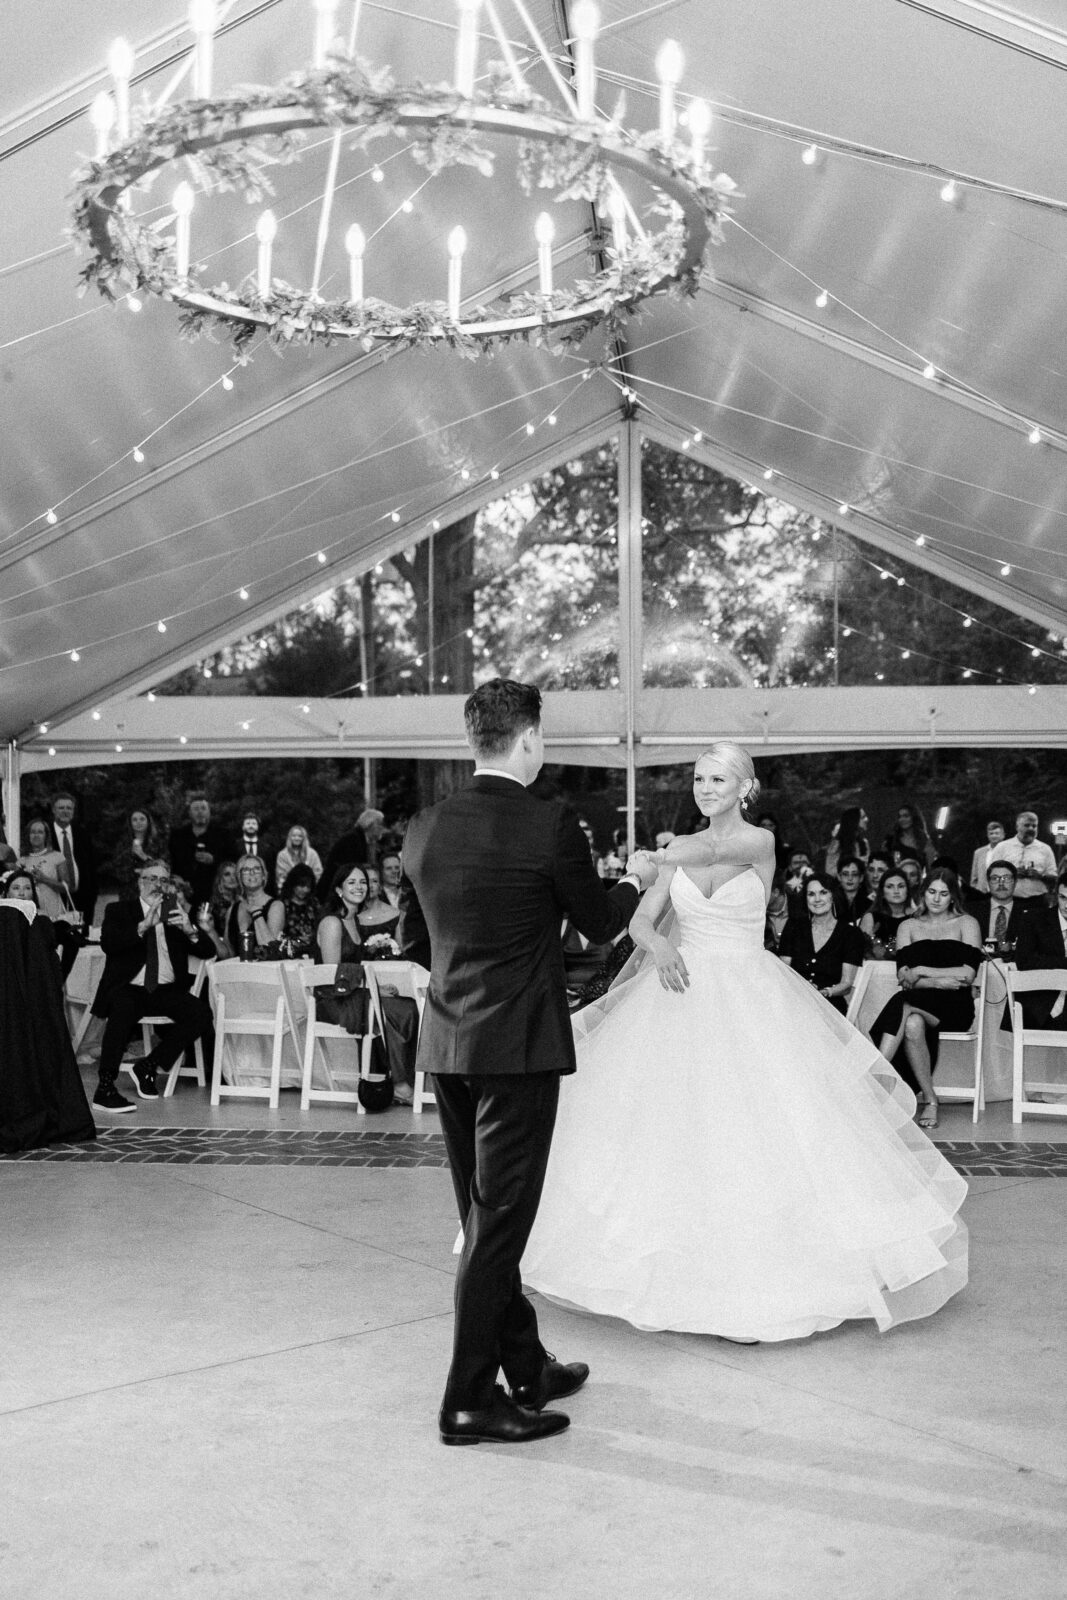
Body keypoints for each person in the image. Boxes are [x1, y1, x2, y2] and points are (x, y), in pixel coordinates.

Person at [522, 742, 967, 1341]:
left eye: (717, 780)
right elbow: (638, 920)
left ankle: (765, 1276)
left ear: (744, 789)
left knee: (760, 1127)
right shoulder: (681, 855)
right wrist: (657, 944)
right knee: (673, 1132)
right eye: (699, 780)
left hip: (751, 997)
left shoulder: (756, 843)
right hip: (678, 998)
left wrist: (652, 855)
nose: (705, 789)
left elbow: (706, 848)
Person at [399, 678, 653, 1446]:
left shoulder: (423, 828)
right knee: (499, 1226)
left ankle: (526, 1365)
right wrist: (637, 879)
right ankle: (467, 1401)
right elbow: (600, 922)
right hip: (516, 1050)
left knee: (482, 1219)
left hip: (447, 1047)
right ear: (528, 740)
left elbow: (415, 942)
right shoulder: (549, 826)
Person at [89, 860, 215, 1113]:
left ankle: (149, 1065)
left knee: (201, 1013)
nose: (157, 885)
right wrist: (143, 926)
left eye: (163, 880)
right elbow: (109, 944)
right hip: (130, 986)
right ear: (140, 882)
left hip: (166, 989)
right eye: (152, 878)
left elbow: (208, 951)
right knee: (122, 1007)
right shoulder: (119, 910)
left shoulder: (174, 913)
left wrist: (190, 930)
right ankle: (105, 1088)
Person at [870, 867, 983, 1129]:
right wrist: (939, 981)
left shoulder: (967, 923)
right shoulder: (907, 926)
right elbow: (903, 977)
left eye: (943, 894)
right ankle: (931, 1100)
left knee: (905, 1001)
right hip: (919, 1005)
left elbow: (967, 974)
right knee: (911, 1021)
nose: (936, 899)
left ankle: (877, 1075)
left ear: (952, 897)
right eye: (932, 891)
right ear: (923, 893)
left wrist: (921, 971)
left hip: (955, 1008)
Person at [778, 870, 864, 1014]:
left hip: (829, 1005)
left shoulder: (851, 934)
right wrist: (801, 989)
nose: (817, 899)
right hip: (794, 1000)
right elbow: (783, 972)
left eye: (823, 892)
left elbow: (846, 984)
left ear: (833, 896)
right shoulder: (793, 927)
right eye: (811, 894)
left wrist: (824, 992)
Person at [1012, 878, 1067, 1028]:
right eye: (1063, 898)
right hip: (1039, 1004)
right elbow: (1023, 961)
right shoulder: (1034, 919)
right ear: (1056, 895)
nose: (1066, 905)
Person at [169, 796, 229, 910]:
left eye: (203, 808)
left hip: (214, 894)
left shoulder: (223, 835)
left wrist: (213, 859)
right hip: (184, 895)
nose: (200, 812)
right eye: (196, 809)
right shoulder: (177, 836)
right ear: (189, 813)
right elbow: (171, 862)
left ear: (209, 812)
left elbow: (233, 860)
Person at [50, 792, 99, 928]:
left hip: (83, 895)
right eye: (61, 808)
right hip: (55, 894)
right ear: (53, 810)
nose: (65, 811)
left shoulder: (82, 833)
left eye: (69, 808)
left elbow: (92, 865)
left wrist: (93, 893)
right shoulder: (46, 834)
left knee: (82, 938)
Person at [987, 811, 1057, 903]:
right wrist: (1011, 874)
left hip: (1037, 901)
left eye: (1034, 826)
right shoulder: (1002, 847)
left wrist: (1040, 876)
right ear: (1017, 827)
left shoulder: (1045, 849)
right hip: (1009, 900)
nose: (1031, 829)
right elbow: (991, 874)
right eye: (1027, 825)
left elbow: (1054, 878)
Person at [225, 855, 285, 958]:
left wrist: (257, 913)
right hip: (236, 971)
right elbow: (227, 954)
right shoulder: (232, 910)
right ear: (240, 877)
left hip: (264, 971)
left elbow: (270, 951)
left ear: (263, 876)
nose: (252, 873)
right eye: (246, 870)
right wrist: (210, 931)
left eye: (257, 869)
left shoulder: (276, 906)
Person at [319, 808, 386, 892]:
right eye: (380, 824)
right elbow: (349, 870)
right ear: (370, 824)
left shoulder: (359, 839)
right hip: (333, 891)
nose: (382, 828)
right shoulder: (353, 840)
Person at [859, 868, 917, 957]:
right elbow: (862, 953)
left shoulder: (917, 917)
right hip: (878, 968)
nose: (896, 891)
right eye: (890, 887)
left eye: (901, 886)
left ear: (907, 890)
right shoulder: (871, 917)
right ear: (882, 892)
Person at [112, 807, 163, 895]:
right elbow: (117, 867)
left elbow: (164, 867)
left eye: (142, 819)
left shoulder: (158, 843)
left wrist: (143, 856)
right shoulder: (123, 843)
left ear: (148, 821)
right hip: (129, 891)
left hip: (153, 891)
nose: (138, 822)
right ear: (130, 823)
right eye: (135, 820)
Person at [278, 863, 319, 956]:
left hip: (311, 952)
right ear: (293, 884)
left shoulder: (314, 904)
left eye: (308, 887)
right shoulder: (282, 905)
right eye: (301, 886)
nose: (305, 890)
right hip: (288, 953)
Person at [823, 806, 870, 879]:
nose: (867, 819)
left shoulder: (864, 843)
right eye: (863, 817)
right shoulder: (837, 844)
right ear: (853, 820)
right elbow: (830, 871)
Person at [885, 802, 936, 869]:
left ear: (914, 818)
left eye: (906, 816)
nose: (902, 819)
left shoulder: (924, 841)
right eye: (900, 817)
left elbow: (930, 868)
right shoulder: (892, 839)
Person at [275, 825, 323, 892]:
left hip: (309, 890)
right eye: (294, 836)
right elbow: (281, 875)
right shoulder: (282, 855)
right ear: (290, 837)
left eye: (300, 836)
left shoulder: (312, 854)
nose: (297, 838)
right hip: (289, 890)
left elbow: (318, 872)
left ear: (304, 838)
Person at [358, 866, 401, 939]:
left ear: (380, 886)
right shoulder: (351, 916)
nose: (370, 885)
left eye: (374, 881)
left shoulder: (395, 915)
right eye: (365, 881)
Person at [969, 820, 1006, 900]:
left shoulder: (1009, 851)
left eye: (997, 833)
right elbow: (974, 877)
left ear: (1003, 835)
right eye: (991, 833)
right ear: (987, 835)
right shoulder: (978, 852)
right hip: (981, 894)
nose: (994, 836)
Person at [835, 857, 870, 925]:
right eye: (845, 874)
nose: (850, 878)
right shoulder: (831, 902)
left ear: (861, 878)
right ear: (839, 877)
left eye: (854, 874)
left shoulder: (869, 904)